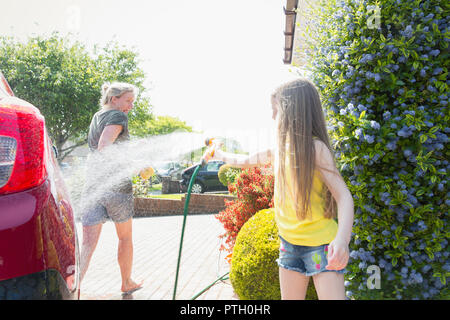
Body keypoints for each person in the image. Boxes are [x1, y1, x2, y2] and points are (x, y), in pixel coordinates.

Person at [208, 78, 354, 300]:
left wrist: (342, 240)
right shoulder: (279, 150)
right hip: (289, 245)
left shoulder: (316, 149)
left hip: (322, 246)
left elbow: (343, 196)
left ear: (292, 110)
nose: (273, 116)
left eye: (276, 109)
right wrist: (218, 154)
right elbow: (245, 159)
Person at [79, 82, 143, 295]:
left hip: (93, 186)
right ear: (114, 99)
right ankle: (126, 282)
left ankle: (73, 287)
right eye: (128, 101)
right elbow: (105, 146)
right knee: (124, 236)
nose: (130, 107)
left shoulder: (97, 116)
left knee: (87, 244)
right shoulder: (118, 116)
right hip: (116, 187)